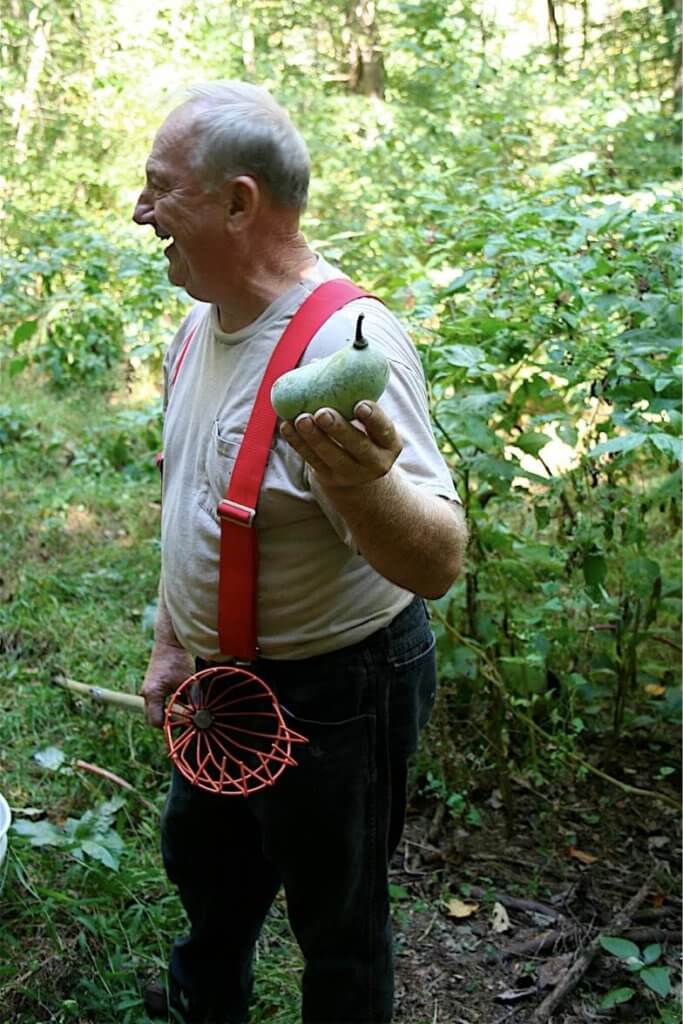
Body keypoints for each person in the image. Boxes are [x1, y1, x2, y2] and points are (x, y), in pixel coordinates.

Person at [133, 81, 467, 1024]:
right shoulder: (195, 330)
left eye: (160, 190)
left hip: (339, 690)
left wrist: (365, 484)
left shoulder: (349, 345)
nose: (140, 211)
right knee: (207, 873)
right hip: (218, 681)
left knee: (340, 924)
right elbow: (190, 501)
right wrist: (172, 645)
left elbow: (438, 563)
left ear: (240, 203)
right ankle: (209, 1001)